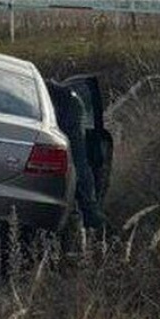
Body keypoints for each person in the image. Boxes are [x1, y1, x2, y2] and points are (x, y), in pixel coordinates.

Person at [45, 80, 106, 229]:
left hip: (67, 105)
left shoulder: (67, 102)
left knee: (77, 159)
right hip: (62, 100)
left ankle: (90, 212)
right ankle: (90, 211)